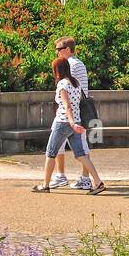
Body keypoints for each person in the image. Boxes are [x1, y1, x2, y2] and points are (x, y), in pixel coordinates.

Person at [33, 56, 105, 195]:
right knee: (80, 155)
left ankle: (45, 185)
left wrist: (71, 123)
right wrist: (75, 123)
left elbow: (67, 106)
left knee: (50, 152)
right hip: (77, 121)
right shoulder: (76, 83)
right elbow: (76, 103)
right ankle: (98, 182)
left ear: (57, 70)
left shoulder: (62, 84)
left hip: (63, 122)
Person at [49, 37, 94, 190]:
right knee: (75, 146)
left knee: (75, 146)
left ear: (67, 50)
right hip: (75, 110)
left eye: (59, 49)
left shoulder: (72, 65)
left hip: (72, 111)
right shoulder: (77, 64)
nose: (56, 53)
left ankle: (75, 177)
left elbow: (68, 88)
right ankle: (76, 177)